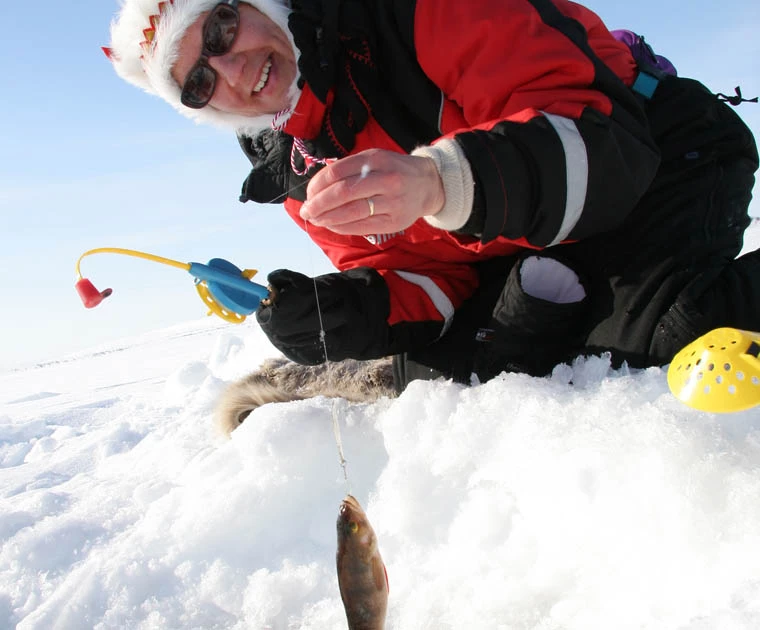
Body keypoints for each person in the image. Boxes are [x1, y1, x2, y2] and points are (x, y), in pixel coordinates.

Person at [104, 0, 759, 409]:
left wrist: (439, 183)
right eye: (198, 82)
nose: (234, 70)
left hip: (653, 150)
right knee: (472, 368)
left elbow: (601, 139)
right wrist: (355, 310)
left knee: (657, 337)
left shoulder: (412, 10)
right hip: (539, 235)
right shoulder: (296, 170)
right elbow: (436, 281)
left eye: (219, 26)